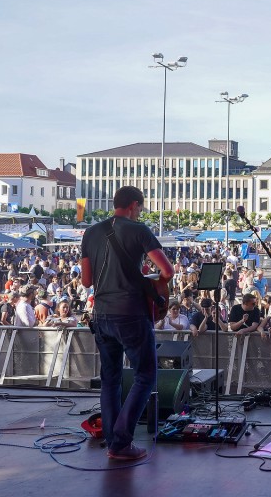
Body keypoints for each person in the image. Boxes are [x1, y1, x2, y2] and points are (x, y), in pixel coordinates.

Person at [81, 186, 175, 461]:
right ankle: (121, 442)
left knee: (110, 379)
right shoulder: (139, 230)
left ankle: (113, 442)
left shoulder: (91, 232)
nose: (140, 213)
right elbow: (167, 271)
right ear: (134, 205)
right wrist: (147, 281)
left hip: (101, 314)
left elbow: (87, 281)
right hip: (131, 313)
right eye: (141, 208)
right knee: (145, 375)